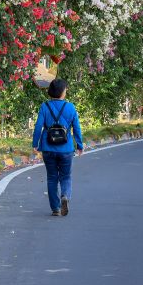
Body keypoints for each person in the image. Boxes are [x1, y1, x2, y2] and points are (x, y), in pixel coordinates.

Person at [32, 78, 84, 216]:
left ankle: (55, 208)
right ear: (62, 92)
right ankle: (65, 196)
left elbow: (38, 126)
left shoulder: (44, 106)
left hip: (48, 148)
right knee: (66, 176)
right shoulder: (70, 107)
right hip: (66, 149)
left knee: (52, 177)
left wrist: (35, 143)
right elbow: (76, 128)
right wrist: (79, 145)